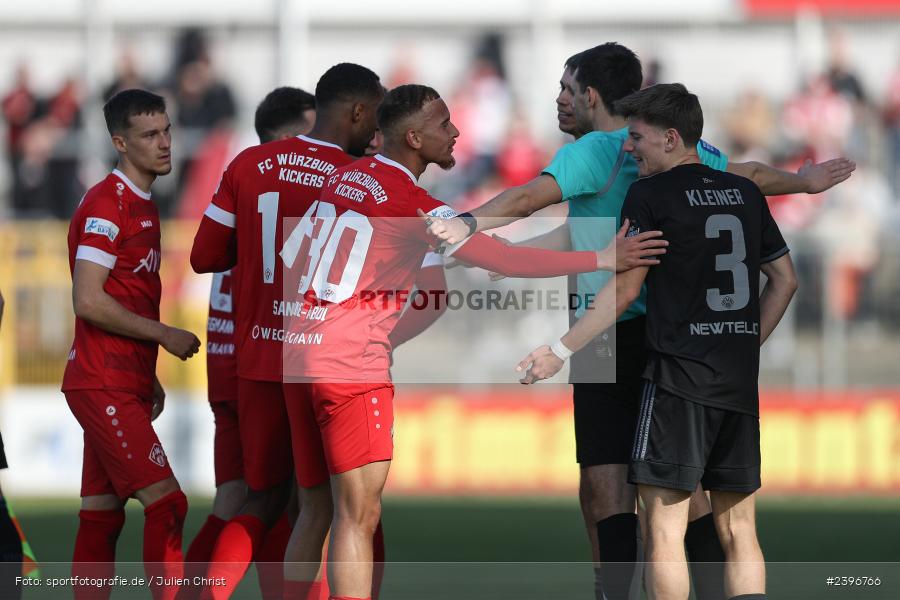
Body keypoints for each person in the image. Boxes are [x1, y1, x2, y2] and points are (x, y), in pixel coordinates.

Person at [424, 42, 854, 600]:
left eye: (566, 89)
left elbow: (533, 196)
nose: (559, 100)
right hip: (692, 338)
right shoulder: (691, 157)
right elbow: (743, 175)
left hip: (611, 332)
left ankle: (618, 594)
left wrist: (468, 222)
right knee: (696, 494)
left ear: (592, 96)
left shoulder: (598, 152)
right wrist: (804, 181)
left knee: (610, 491)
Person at [277, 83, 666, 600]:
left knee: (314, 510)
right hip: (351, 366)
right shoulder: (418, 204)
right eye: (443, 124)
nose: (456, 131)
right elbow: (501, 261)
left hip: (298, 354)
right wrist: (601, 259)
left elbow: (292, 257)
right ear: (413, 138)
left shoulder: (343, 177)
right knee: (358, 514)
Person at [518, 83, 798, 600]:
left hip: (676, 380)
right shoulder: (745, 194)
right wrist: (747, 342)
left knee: (664, 530)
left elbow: (623, 292)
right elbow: (785, 279)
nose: (629, 148)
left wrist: (559, 350)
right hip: (736, 382)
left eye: (638, 138)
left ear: (670, 139)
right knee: (740, 531)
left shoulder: (649, 195)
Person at [190, 63, 386, 600]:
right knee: (354, 505)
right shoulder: (359, 175)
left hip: (254, 360)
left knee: (264, 498)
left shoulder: (249, 163)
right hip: (324, 361)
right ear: (357, 112)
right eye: (377, 114)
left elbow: (204, 256)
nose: (379, 128)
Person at [179, 86, 318, 600]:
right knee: (303, 501)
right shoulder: (276, 189)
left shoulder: (245, 185)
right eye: (310, 134)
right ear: (285, 139)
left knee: (241, 501)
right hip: (258, 364)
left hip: (230, 363)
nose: (319, 146)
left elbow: (208, 257)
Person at [62, 89, 201, 600]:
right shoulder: (107, 204)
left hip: (123, 378)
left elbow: (126, 298)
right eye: (149, 135)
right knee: (168, 505)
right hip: (102, 380)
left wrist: (149, 374)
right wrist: (165, 336)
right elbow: (89, 301)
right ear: (120, 142)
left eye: (166, 130)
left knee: (101, 515)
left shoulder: (141, 203)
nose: (165, 143)